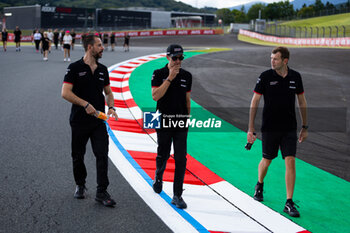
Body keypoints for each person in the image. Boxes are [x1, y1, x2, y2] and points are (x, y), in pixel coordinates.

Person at [247, 46, 308, 218]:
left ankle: (289, 202)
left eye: (276, 59)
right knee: (266, 161)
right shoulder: (265, 76)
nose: (272, 61)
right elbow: (255, 101)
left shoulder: (296, 77)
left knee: (290, 161)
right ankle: (259, 184)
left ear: (285, 61)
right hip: (270, 128)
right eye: (271, 58)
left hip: (289, 128)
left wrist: (305, 126)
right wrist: (251, 128)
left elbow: (302, 101)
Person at [61, 34, 118, 207]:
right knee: (78, 155)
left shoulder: (103, 70)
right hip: (79, 121)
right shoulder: (74, 68)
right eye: (99, 45)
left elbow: (108, 92)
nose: (103, 48)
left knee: (102, 155)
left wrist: (111, 107)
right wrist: (85, 104)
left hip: (98, 121)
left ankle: (102, 191)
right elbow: (65, 93)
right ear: (89, 47)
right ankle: (80, 185)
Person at [151, 44, 192, 209]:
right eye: (175, 58)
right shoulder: (158, 73)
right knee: (163, 154)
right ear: (167, 57)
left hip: (181, 121)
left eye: (181, 58)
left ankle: (177, 195)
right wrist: (170, 78)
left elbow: (187, 99)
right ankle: (158, 176)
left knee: (181, 159)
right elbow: (155, 96)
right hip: (162, 119)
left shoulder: (187, 76)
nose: (178, 61)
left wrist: (187, 119)